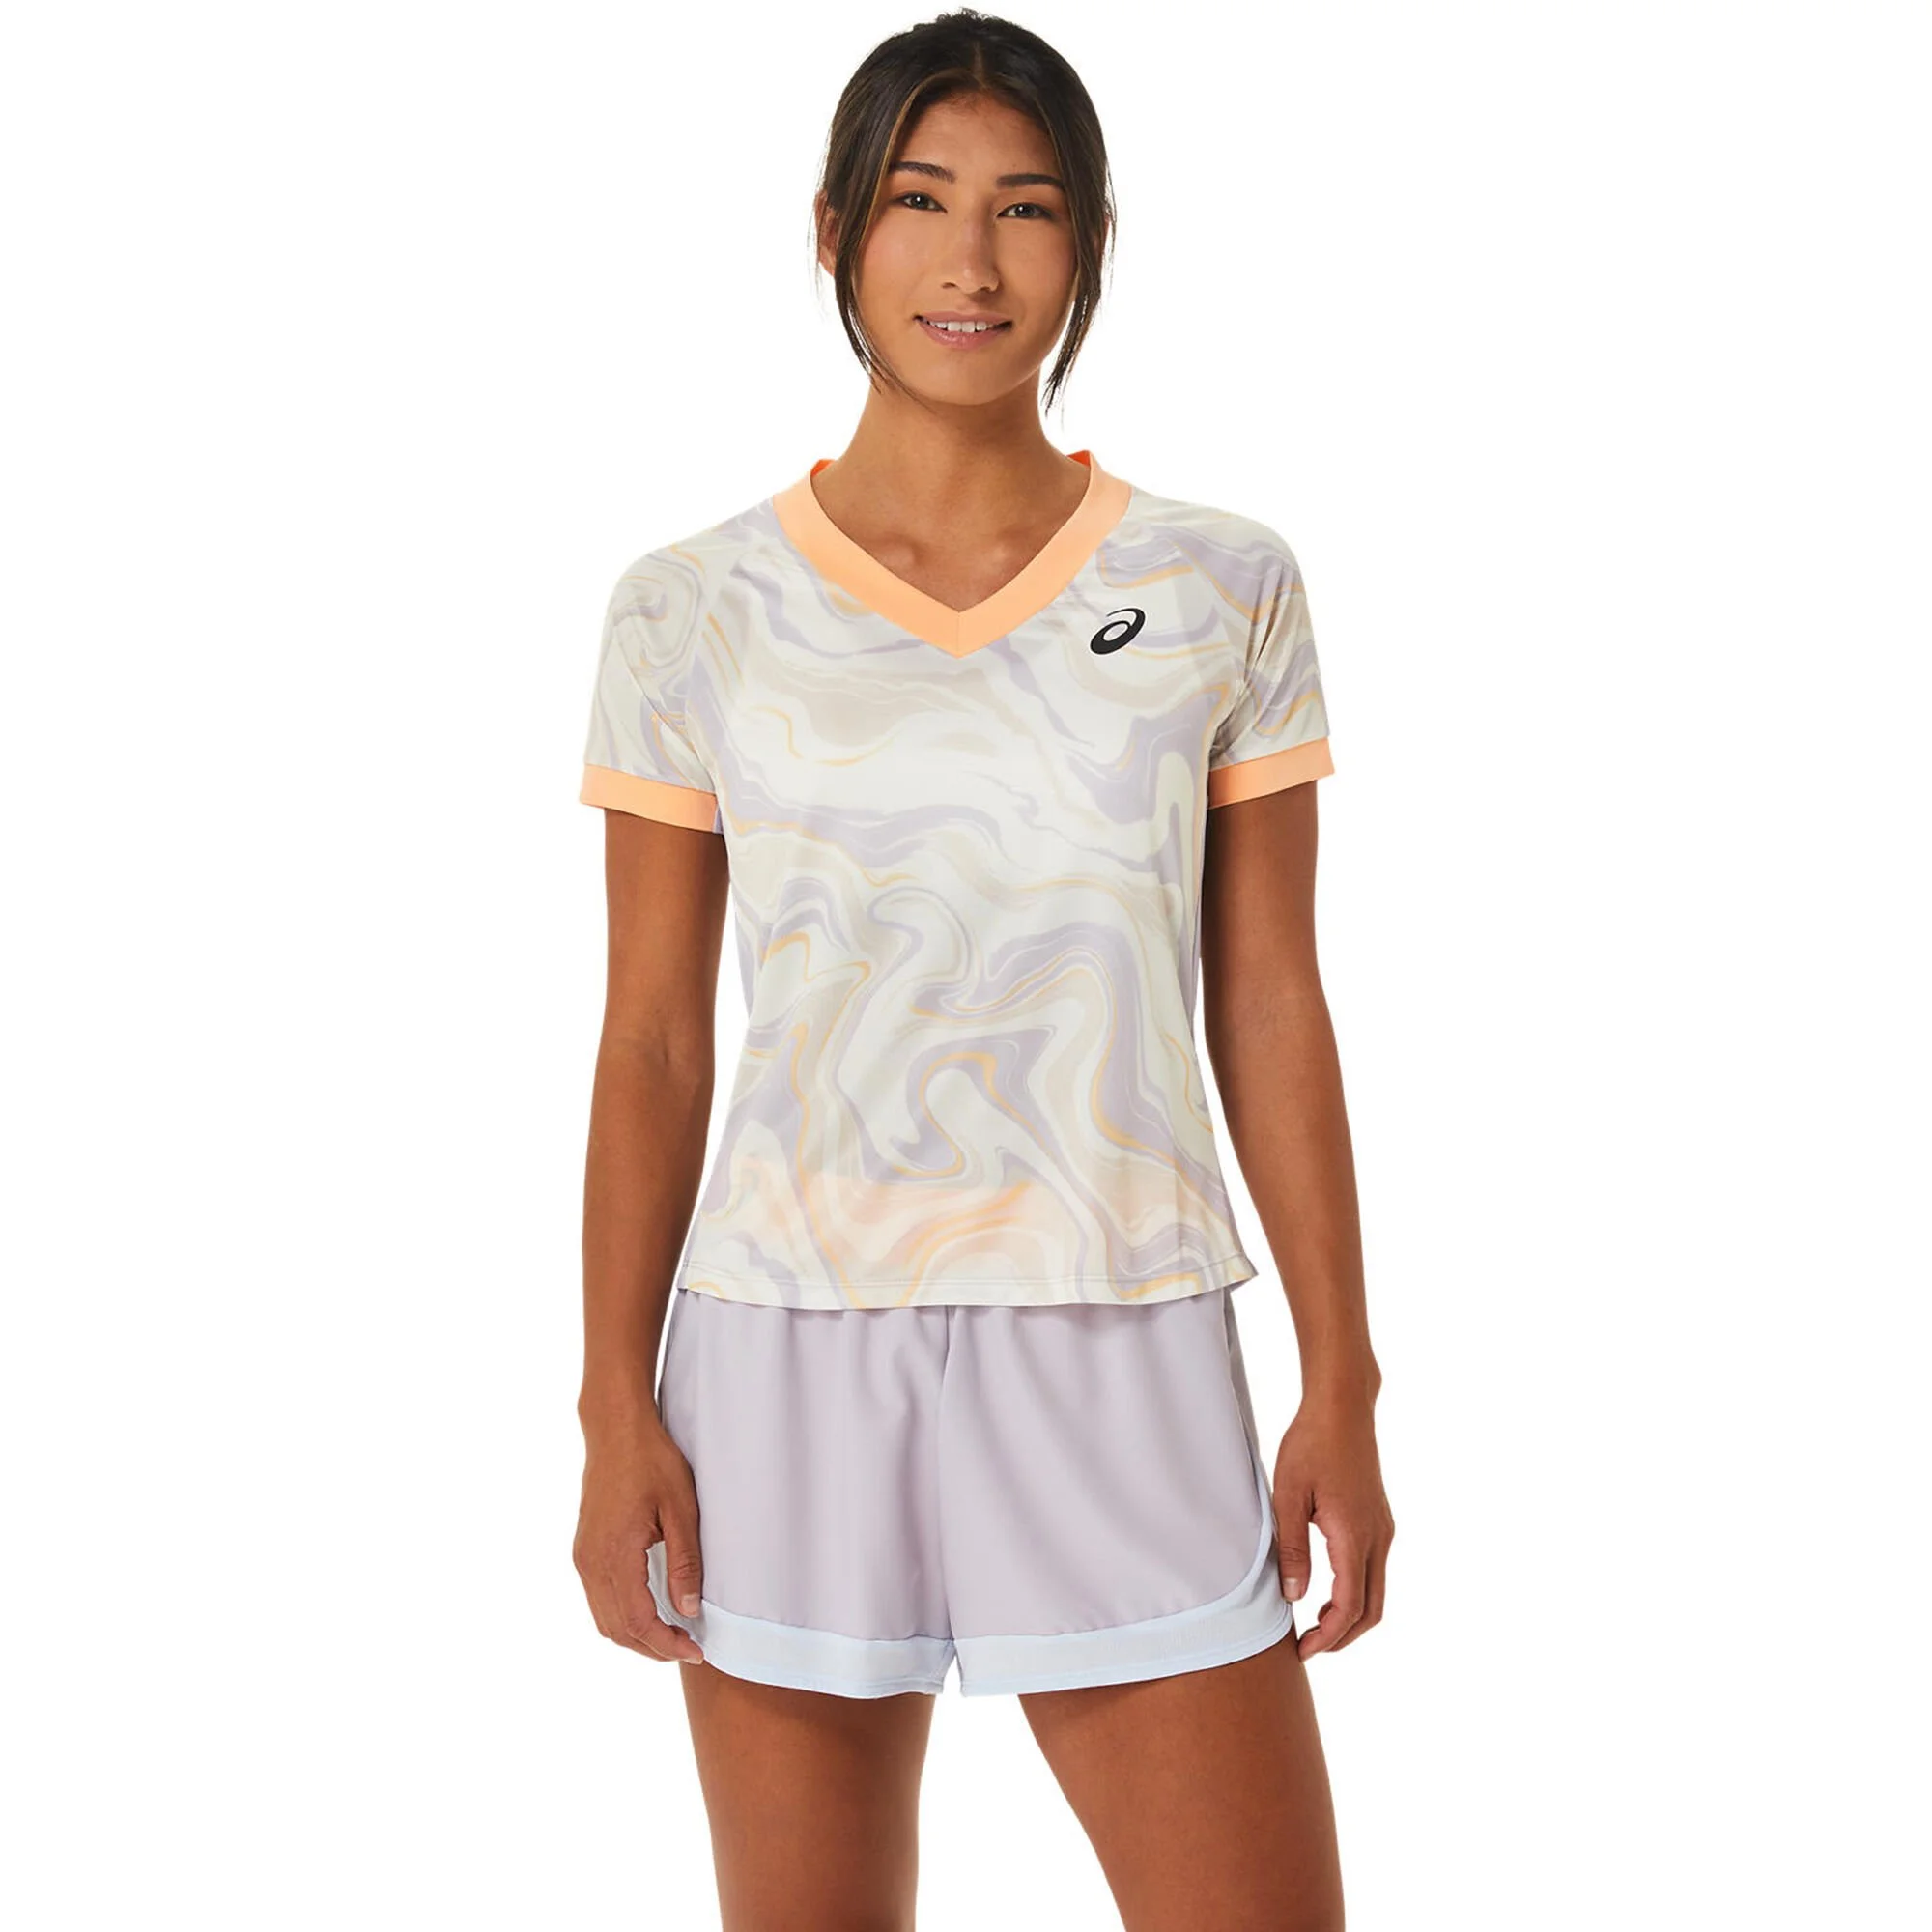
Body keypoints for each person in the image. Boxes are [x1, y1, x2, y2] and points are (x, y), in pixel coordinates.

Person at [571, 13, 1392, 1928]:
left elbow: (1272, 1001)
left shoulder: (1219, 585)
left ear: (1088, 241)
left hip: (1119, 1325)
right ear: (834, 230)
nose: (971, 261)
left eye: (1026, 209)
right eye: (918, 201)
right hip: (781, 1349)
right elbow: (653, 1039)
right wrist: (613, 1404)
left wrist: (1342, 1380)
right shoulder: (690, 608)